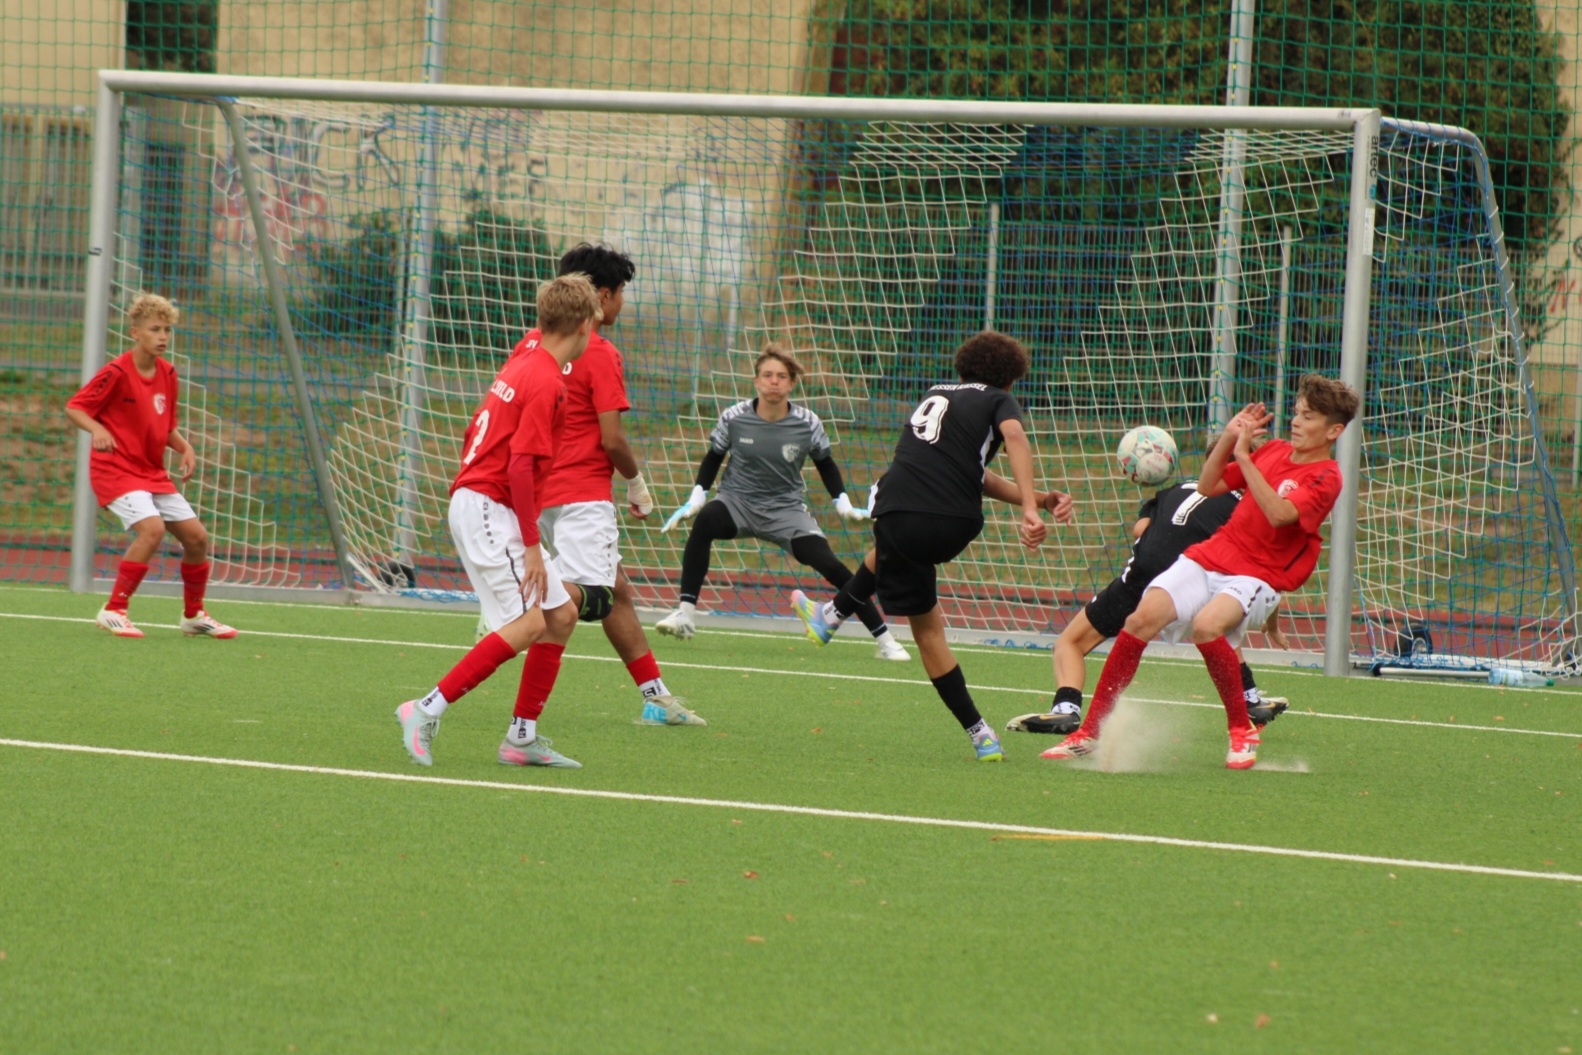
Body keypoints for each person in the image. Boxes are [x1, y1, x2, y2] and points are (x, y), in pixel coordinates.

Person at [1042, 374, 1359, 770]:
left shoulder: (1327, 476)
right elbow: (1208, 486)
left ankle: (1241, 729)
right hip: (1213, 555)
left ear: (1333, 431)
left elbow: (1279, 514)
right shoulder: (1274, 451)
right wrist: (1229, 439)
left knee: (1207, 627)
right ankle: (1089, 732)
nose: (1296, 421)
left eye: (1308, 416)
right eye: (1296, 412)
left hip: (1259, 574)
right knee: (1139, 620)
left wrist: (1245, 458)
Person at [790, 330, 1075, 761]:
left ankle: (981, 735)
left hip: (900, 509)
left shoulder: (936, 393)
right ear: (1010, 378)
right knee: (897, 555)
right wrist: (1034, 505)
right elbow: (1001, 454)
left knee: (925, 628)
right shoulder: (998, 399)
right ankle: (830, 615)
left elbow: (987, 460)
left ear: (963, 368)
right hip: (957, 522)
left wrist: (1034, 504)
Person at [394, 274, 604, 769]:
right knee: (529, 624)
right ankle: (424, 708)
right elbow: (519, 467)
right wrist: (531, 546)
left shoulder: (526, 355)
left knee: (561, 615)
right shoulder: (546, 381)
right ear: (581, 326)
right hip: (490, 507)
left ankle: (521, 739)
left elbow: (478, 429)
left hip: (489, 502)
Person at [525, 243, 704, 727]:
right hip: (581, 496)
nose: (622, 302)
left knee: (617, 589)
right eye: (621, 292)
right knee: (592, 596)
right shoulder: (600, 353)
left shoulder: (532, 344)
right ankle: (514, 608)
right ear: (602, 297)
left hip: (536, 492)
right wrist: (637, 485)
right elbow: (612, 439)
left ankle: (656, 697)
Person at [654, 345, 910, 661]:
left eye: (781, 376)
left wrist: (843, 504)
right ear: (756, 381)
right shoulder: (733, 417)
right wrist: (696, 498)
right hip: (737, 504)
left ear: (791, 383)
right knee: (706, 520)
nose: (774, 382)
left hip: (786, 511)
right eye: (767, 375)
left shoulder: (808, 422)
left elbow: (826, 464)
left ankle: (885, 639)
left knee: (832, 565)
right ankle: (685, 615)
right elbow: (713, 457)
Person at [1004, 480, 1289, 735]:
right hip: (1193, 577)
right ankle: (1249, 699)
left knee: (1071, 642)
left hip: (1144, 576)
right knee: (1216, 627)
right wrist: (1273, 623)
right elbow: (1261, 571)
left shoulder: (1172, 489)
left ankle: (1066, 709)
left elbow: (1140, 530)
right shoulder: (1251, 510)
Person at [65, 293, 235, 640]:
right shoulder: (116, 372)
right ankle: (114, 609)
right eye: (155, 329)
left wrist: (184, 447)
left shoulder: (168, 373)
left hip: (150, 472)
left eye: (167, 330)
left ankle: (193, 615)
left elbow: (166, 425)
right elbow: (75, 407)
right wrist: (98, 429)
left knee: (197, 538)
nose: (163, 337)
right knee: (152, 530)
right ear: (135, 333)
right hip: (116, 470)